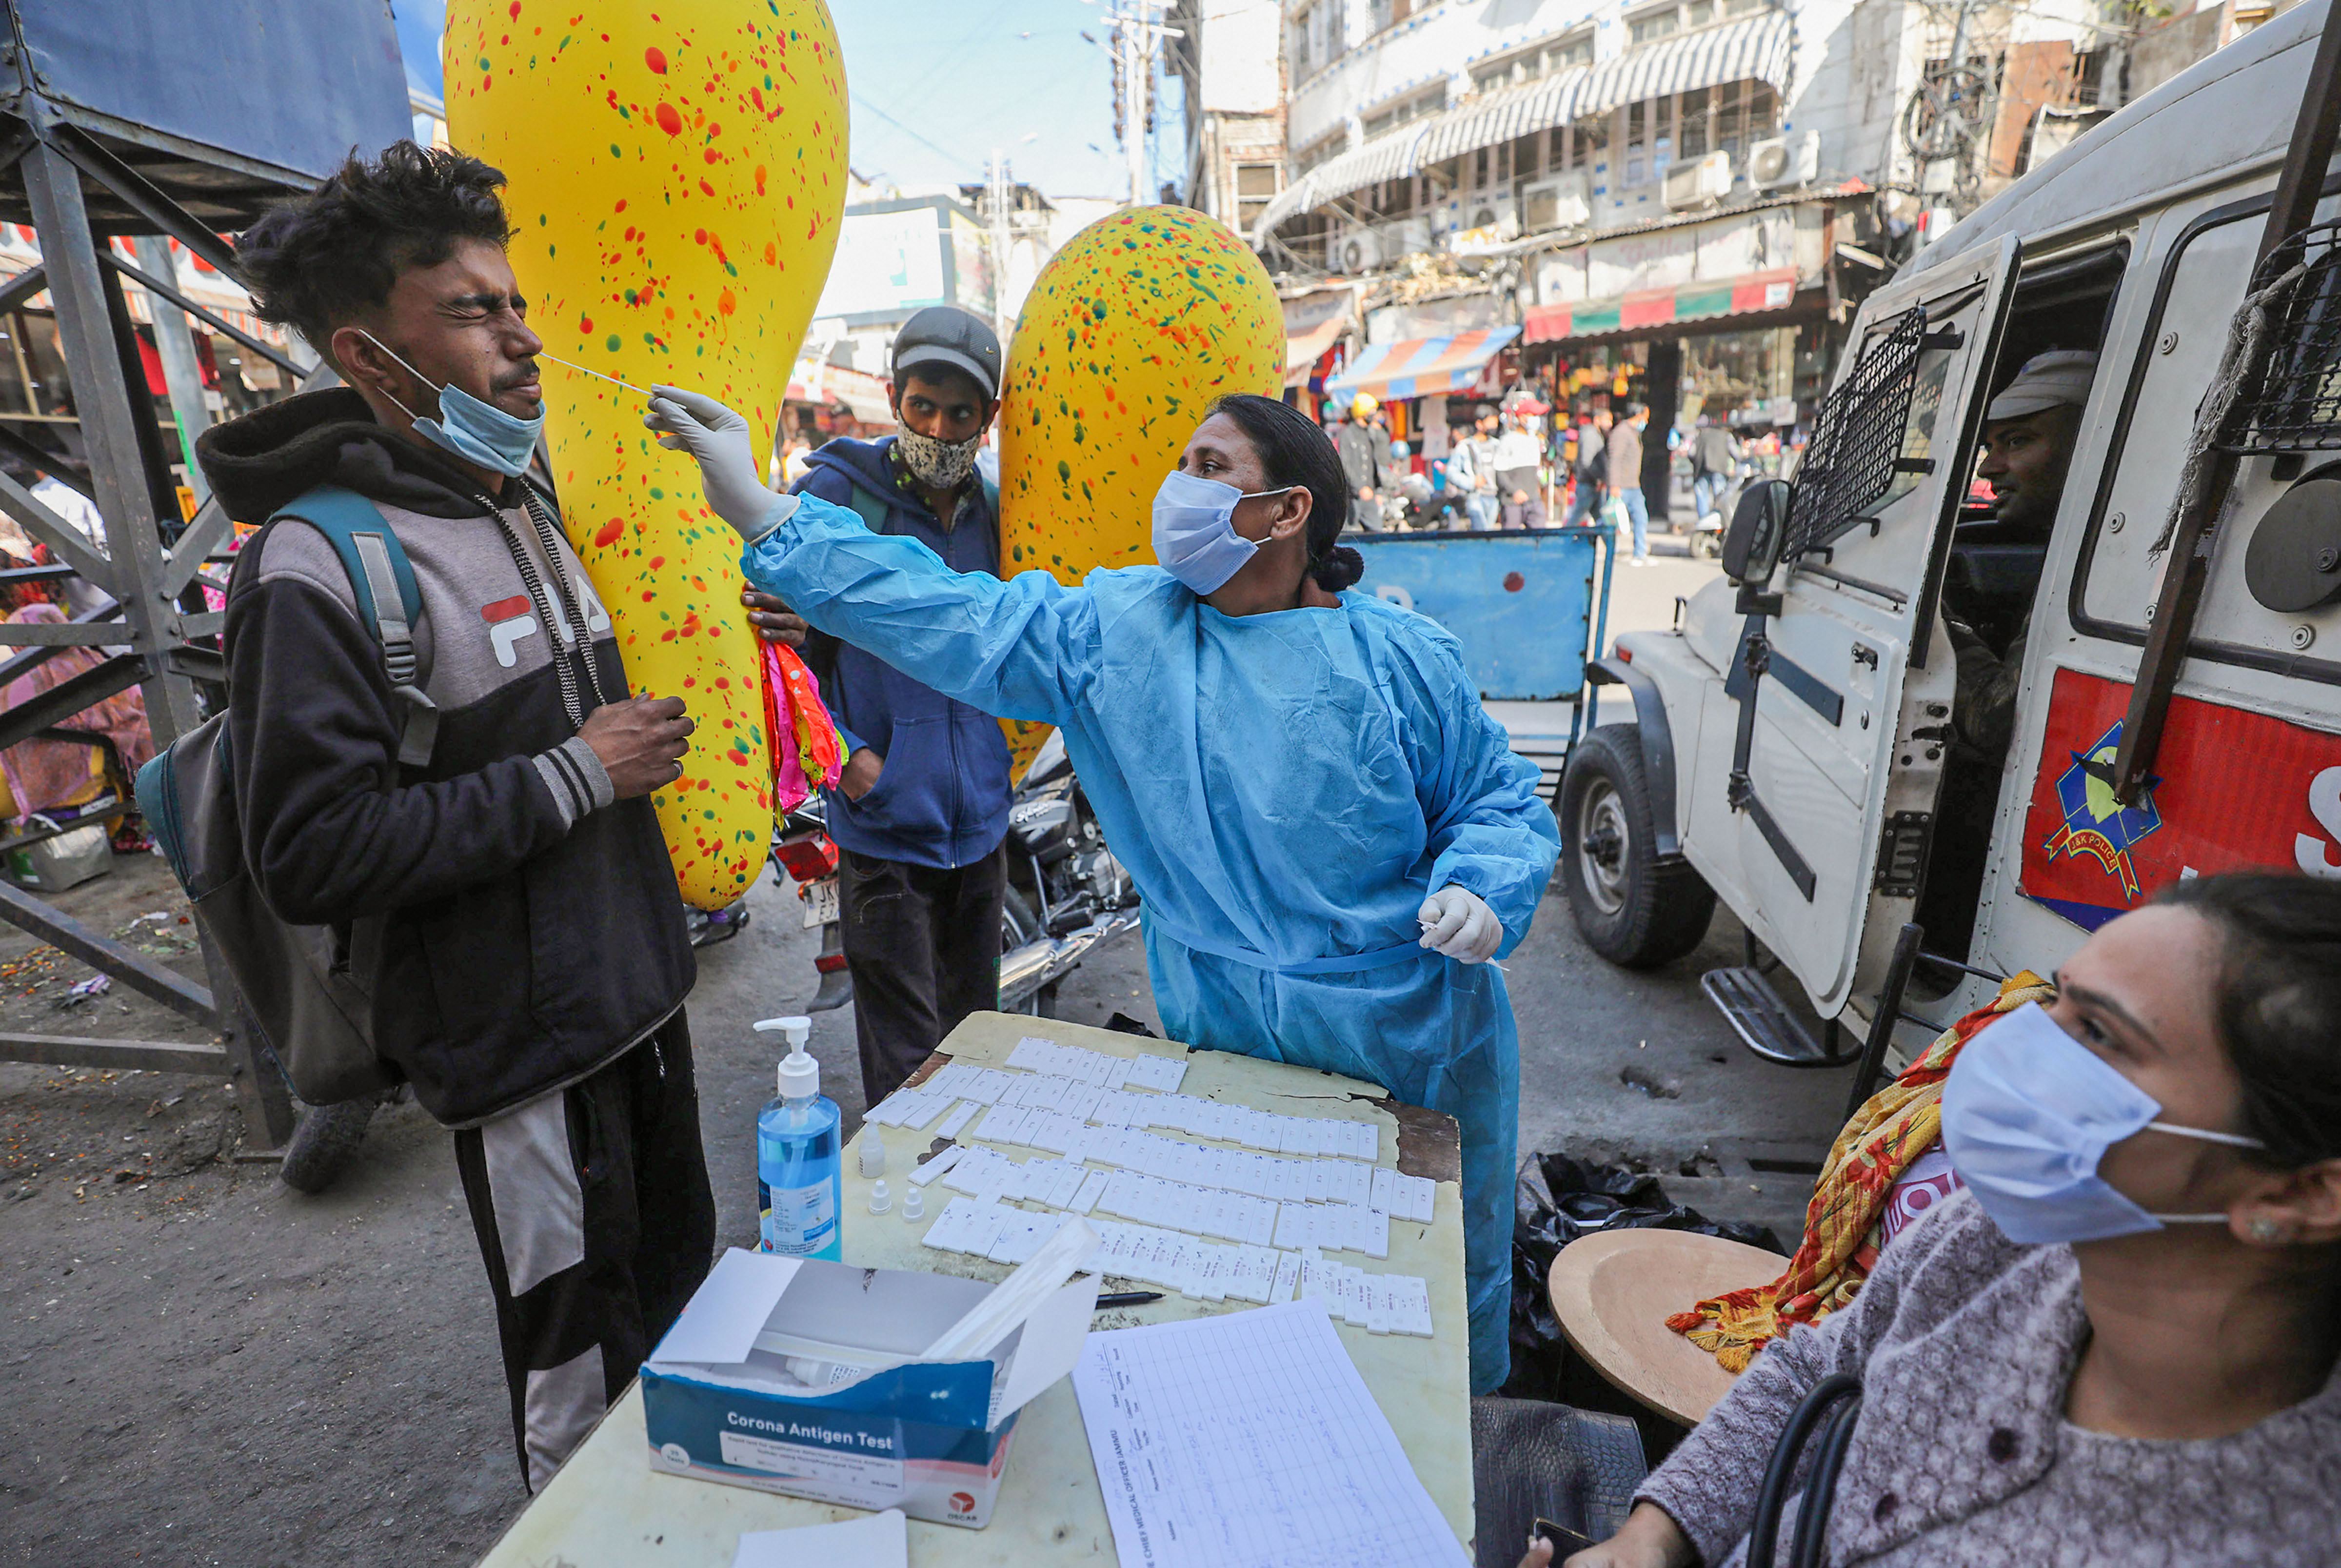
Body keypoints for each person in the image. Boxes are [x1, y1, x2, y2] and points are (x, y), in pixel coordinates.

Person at [654, 386, 1559, 1394]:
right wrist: (763, 511)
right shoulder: (1120, 632)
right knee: (1251, 1306)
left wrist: (1483, 885)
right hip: (1224, 1039)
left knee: (1416, 1327)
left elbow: (1496, 799)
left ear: (1289, 511)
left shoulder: (1396, 658)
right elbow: (948, 611)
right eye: (1183, 462)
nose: (1180, 487)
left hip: (1410, 1042)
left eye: (1213, 468)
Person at [199, 142, 709, 1491]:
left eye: (515, 302)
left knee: (682, 1334)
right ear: (373, 357)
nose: (523, 336)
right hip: (527, 1059)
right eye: (476, 311)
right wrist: (581, 772)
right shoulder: (312, 563)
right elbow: (310, 851)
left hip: (641, 1012)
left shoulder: (519, 498)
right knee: (583, 1392)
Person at [1555, 871, 2341, 1568]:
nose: (2011, 1048)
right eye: (2052, 1004)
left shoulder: (2272, 1530)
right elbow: (1817, 1369)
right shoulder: (1991, 1239)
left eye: (2100, 1033)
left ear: (2300, 1194)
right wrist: (1652, 1540)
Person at [740, 305, 1012, 1110]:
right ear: (894, 396)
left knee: (981, 1049)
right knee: (909, 1071)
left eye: (961, 413)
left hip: (982, 832)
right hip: (887, 829)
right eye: (923, 405)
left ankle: (978, 1213)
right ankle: (914, 1220)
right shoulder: (834, 496)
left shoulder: (997, 514)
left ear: (989, 419)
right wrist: (857, 766)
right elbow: (773, 654)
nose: (938, 427)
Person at [1329, 393, 1385, 531]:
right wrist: (1359, 488)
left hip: (1370, 494)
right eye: (1372, 411)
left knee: (1377, 532)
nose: (1375, 414)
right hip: (1354, 497)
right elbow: (1345, 464)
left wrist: (1378, 491)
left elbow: (1374, 465)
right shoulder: (1348, 434)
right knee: (1351, 534)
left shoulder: (1370, 434)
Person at [1607, 403, 1651, 565]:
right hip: (1622, 486)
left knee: (1641, 517)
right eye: (1645, 417)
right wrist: (1614, 485)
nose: (1646, 421)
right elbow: (1616, 459)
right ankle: (1609, 550)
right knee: (1613, 521)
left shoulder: (1633, 433)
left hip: (1634, 485)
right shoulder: (1622, 433)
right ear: (1638, 415)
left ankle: (1640, 552)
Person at [1493, 409, 1546, 530]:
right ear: (1522, 418)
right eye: (1533, 415)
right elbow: (1499, 472)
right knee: (1511, 543)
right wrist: (1514, 491)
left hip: (1534, 500)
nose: (1536, 420)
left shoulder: (1534, 440)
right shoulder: (1507, 440)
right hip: (1513, 502)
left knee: (1540, 539)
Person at [1689, 414, 1741, 525]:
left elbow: (1691, 453)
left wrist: (1697, 462)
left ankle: (1704, 525)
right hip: (1720, 469)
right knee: (1720, 498)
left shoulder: (1700, 435)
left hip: (1701, 470)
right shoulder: (1726, 435)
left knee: (1702, 497)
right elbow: (1737, 454)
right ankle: (1720, 523)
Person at [1565, 407, 1611, 527]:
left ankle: (1611, 545)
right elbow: (1587, 462)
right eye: (1607, 420)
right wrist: (1598, 478)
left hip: (1593, 485)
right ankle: (1562, 541)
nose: (1610, 424)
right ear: (1597, 420)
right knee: (1577, 517)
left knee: (1600, 519)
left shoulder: (1596, 435)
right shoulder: (1590, 435)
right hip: (1588, 484)